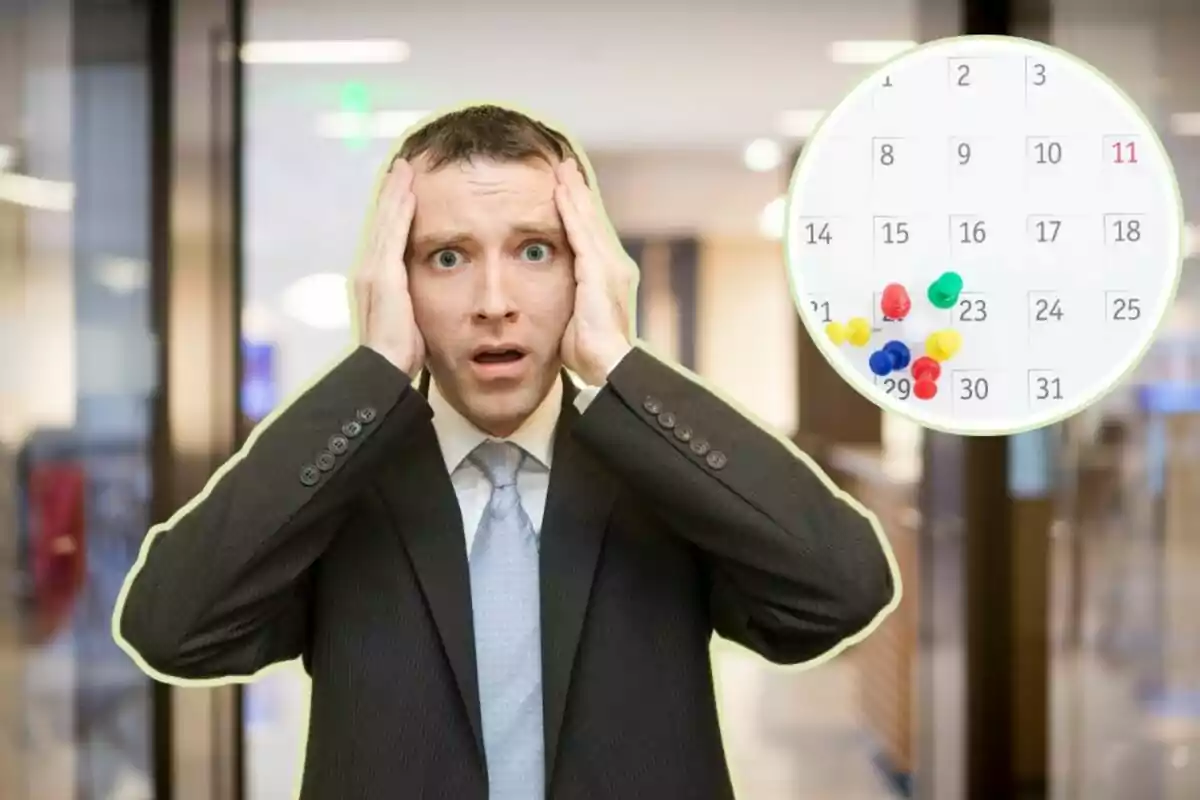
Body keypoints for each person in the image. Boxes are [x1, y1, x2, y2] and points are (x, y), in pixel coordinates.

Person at [114, 103, 897, 800]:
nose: (495, 303)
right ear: (397, 283)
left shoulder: (658, 474)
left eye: (535, 251)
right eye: (447, 257)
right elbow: (172, 629)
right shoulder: (345, 479)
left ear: (587, 270)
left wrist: (623, 365)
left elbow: (841, 592)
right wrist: (372, 373)